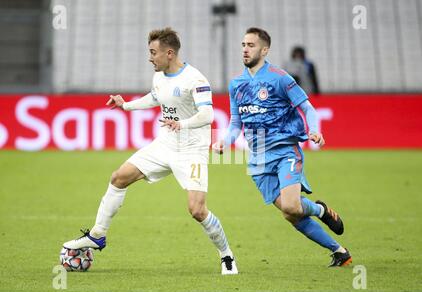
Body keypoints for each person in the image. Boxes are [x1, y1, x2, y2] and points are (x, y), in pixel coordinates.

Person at [63, 27, 238, 275]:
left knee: (197, 210)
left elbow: (207, 114)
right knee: (118, 177)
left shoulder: (196, 79)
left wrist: (182, 124)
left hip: (192, 151)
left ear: (169, 53)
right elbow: (155, 98)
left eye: (153, 52)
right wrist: (126, 105)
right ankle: (97, 235)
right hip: (164, 144)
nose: (150, 57)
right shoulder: (159, 76)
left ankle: (226, 255)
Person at [213, 27, 351, 267]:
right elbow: (236, 121)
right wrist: (225, 141)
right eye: (243, 44)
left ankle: (320, 210)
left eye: (251, 45)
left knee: (290, 204)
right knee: (291, 214)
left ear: (264, 50)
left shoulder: (280, 78)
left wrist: (315, 130)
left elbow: (307, 107)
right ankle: (339, 252)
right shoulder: (237, 84)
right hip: (258, 158)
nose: (245, 49)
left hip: (285, 149)